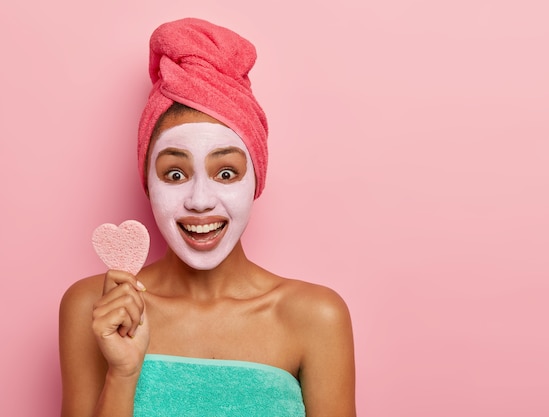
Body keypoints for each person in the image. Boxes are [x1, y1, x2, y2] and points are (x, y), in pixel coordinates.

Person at [59, 18, 356, 417]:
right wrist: (123, 374)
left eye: (226, 173)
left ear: (256, 180)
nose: (200, 200)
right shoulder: (95, 307)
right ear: (147, 182)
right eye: (175, 174)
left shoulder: (316, 317)